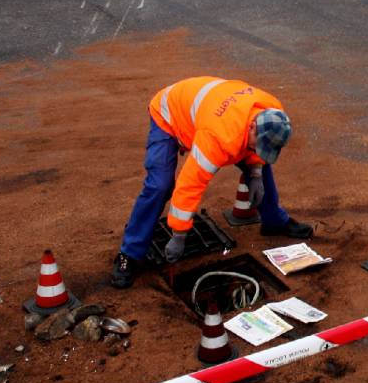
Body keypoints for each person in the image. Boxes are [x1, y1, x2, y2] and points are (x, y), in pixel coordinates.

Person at [111, 77, 314, 288]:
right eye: (260, 144)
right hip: (169, 114)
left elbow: (261, 147)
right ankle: (130, 254)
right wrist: (179, 234)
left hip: (208, 110)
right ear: (252, 126)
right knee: (159, 185)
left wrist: (255, 171)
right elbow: (190, 183)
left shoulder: (273, 113)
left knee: (262, 169)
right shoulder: (218, 138)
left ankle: (274, 221)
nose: (260, 150)